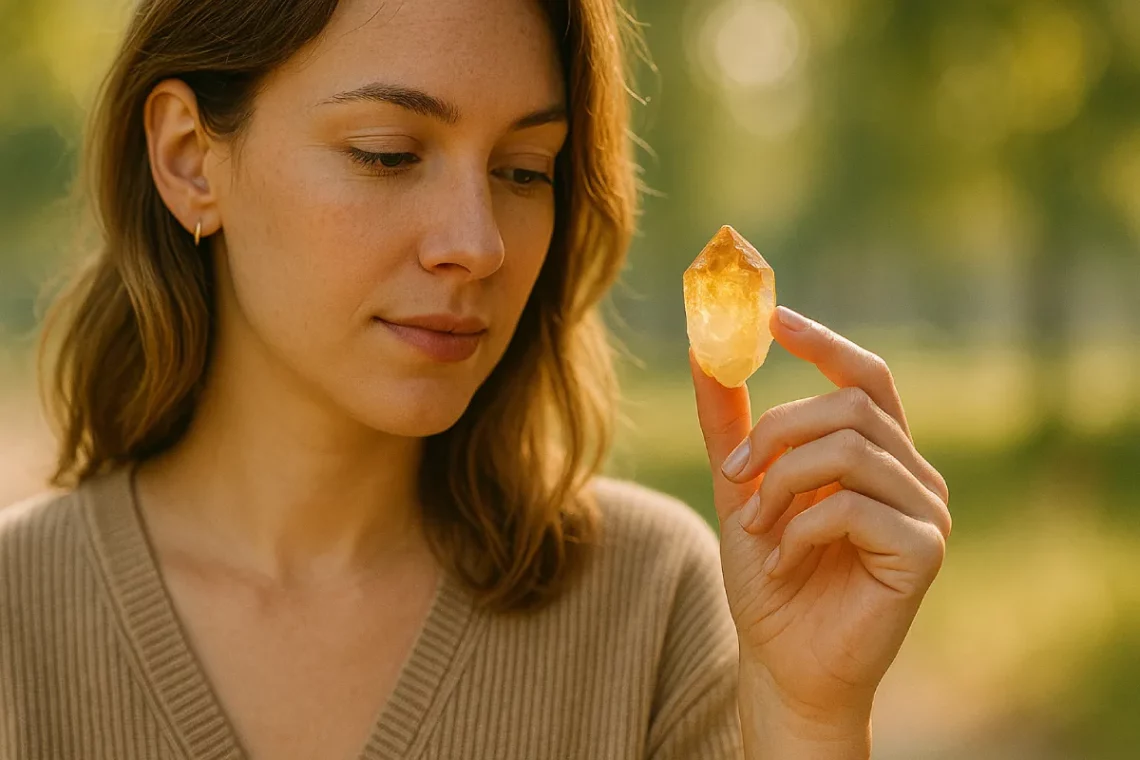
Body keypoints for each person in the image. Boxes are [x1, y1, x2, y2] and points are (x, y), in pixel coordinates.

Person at [0, 0, 952, 757]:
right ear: (187, 158)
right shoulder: (17, 620)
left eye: (525, 170)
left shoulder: (648, 606)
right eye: (388, 154)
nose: (479, 243)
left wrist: (809, 722)